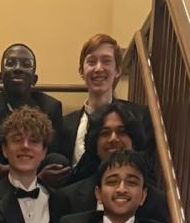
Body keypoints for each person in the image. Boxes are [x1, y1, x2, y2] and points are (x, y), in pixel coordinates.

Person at [53, 101, 168, 218]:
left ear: (134, 141)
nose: (113, 138)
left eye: (122, 132)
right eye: (105, 133)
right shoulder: (67, 198)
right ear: (95, 143)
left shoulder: (156, 202)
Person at [0, 43, 65, 181]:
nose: (18, 68)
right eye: (10, 63)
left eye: (26, 64)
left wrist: (6, 169)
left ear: (34, 79)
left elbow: (51, 151)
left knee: (59, 161)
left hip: (39, 174)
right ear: (0, 77)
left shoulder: (50, 107)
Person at [55, 34, 151, 166]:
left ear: (118, 70)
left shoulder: (139, 116)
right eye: (92, 62)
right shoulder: (64, 125)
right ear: (82, 71)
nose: (99, 68)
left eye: (106, 61)